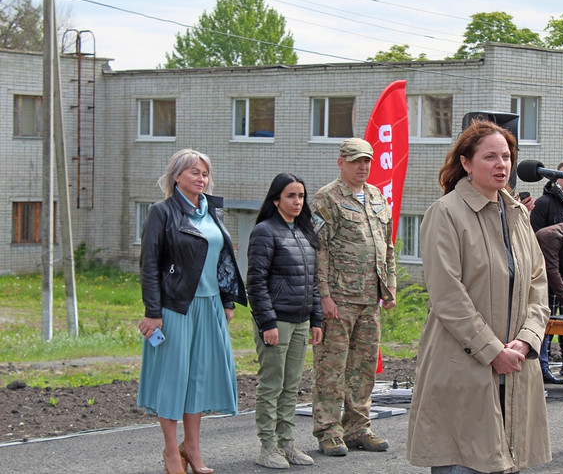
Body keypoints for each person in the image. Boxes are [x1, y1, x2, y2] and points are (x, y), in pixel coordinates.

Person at [407, 120, 552, 473]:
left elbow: (538, 283)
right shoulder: (445, 213)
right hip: (463, 365)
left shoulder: (517, 214)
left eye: (506, 156)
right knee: (465, 461)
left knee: (508, 459)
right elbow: (447, 295)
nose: (501, 164)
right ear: (467, 163)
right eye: (490, 157)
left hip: (516, 365)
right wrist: (492, 351)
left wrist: (527, 340)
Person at [137, 149, 246, 474]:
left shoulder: (212, 211)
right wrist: (153, 312)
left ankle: (192, 447)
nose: (201, 179)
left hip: (210, 307)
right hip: (175, 308)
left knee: (199, 379)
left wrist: (227, 301)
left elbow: (223, 258)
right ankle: (172, 450)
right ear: (176, 176)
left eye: (205, 174)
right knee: (173, 380)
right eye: (195, 173)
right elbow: (149, 265)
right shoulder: (162, 212)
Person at [310, 138, 397, 457]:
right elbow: (319, 251)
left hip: (368, 299)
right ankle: (328, 430)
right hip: (338, 299)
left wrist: (389, 287)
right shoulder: (326, 198)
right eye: (356, 161)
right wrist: (324, 297)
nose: (363, 166)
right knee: (332, 367)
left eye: (367, 161)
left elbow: (387, 245)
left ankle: (358, 427)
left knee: (362, 367)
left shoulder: (376, 196)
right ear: (341, 162)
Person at [247, 173, 324, 469]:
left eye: (301, 196)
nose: (297, 201)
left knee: (291, 386)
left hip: (301, 320)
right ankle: (267, 447)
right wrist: (267, 323)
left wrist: (316, 319)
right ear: (276, 198)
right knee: (271, 385)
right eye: (291, 196)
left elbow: (313, 282)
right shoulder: (265, 232)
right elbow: (255, 282)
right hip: (276, 321)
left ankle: (286, 443)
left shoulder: (305, 232)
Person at [531, 161, 563, 381]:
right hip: (548, 269)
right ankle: (542, 366)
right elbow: (537, 241)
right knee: (549, 318)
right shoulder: (545, 203)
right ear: (556, 178)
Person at [535, 223, 563, 385]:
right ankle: (542, 368)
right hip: (542, 282)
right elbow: (550, 270)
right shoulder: (552, 236)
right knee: (545, 326)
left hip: (553, 281)